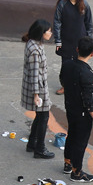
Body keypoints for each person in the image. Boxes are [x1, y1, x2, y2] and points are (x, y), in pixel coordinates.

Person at [60, 36, 93, 182]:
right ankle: (77, 172)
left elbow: (62, 80)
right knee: (80, 141)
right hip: (82, 112)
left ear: (77, 49)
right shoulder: (86, 73)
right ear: (92, 53)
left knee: (72, 134)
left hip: (70, 106)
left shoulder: (67, 65)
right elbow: (88, 99)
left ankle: (67, 163)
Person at [21, 19, 55, 159]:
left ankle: (32, 143)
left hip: (38, 85)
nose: (51, 33)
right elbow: (35, 73)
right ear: (42, 33)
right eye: (49, 31)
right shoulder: (35, 50)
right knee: (44, 116)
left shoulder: (34, 44)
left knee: (40, 116)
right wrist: (36, 95)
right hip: (38, 88)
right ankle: (40, 148)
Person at [53, 0, 93, 95]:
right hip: (66, 40)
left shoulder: (84, 4)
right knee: (65, 66)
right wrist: (58, 41)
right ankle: (65, 86)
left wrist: (90, 42)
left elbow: (89, 24)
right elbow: (57, 23)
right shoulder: (62, 4)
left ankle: (77, 86)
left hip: (81, 41)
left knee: (79, 65)